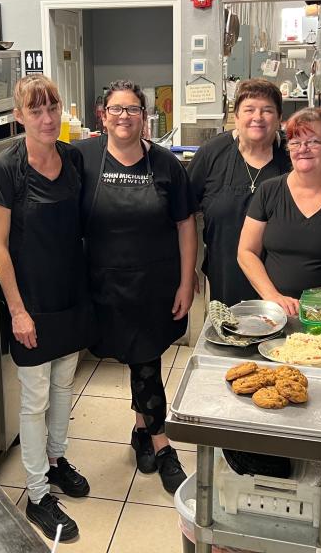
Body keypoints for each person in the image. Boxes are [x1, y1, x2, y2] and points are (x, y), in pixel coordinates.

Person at [0, 75, 96, 542]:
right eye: (36, 111)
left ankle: (55, 460)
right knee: (33, 399)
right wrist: (18, 311)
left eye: (52, 108)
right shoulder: (7, 169)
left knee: (64, 385)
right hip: (31, 300)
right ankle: (36, 495)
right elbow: (0, 244)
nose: (48, 119)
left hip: (71, 293)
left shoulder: (71, 158)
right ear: (19, 117)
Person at [74, 80, 197, 494]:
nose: (123, 116)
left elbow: (185, 225)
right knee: (133, 357)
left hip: (154, 283)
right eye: (116, 109)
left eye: (132, 109)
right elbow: (51, 207)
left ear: (145, 116)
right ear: (102, 115)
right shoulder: (81, 159)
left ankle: (162, 445)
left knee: (147, 361)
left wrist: (186, 279)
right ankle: (142, 431)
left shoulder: (166, 165)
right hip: (103, 282)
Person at [237, 107, 321, 315]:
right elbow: (246, 252)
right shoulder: (269, 190)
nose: (303, 149)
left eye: (313, 142)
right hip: (274, 314)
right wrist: (273, 297)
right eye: (295, 142)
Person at [189, 80, 292, 307]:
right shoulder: (212, 154)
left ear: (279, 119)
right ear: (235, 116)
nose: (258, 117)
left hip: (283, 285)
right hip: (226, 276)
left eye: (267, 110)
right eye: (249, 110)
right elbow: (183, 213)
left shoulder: (293, 155)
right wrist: (186, 269)